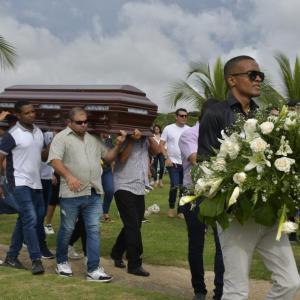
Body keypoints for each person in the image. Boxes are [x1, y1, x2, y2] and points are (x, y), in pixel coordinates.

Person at [197, 55, 300, 300]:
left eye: (260, 75)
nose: (258, 80)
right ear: (232, 79)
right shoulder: (215, 113)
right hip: (237, 216)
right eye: (252, 74)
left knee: (290, 282)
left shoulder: (265, 116)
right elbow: (204, 162)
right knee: (236, 290)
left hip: (268, 212)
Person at [48, 107, 126, 282]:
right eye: (79, 122)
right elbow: (54, 160)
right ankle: (61, 261)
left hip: (93, 192)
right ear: (69, 122)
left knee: (93, 230)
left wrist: (119, 144)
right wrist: (68, 176)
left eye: (85, 122)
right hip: (71, 193)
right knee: (67, 229)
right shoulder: (61, 138)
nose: (84, 125)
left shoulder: (93, 139)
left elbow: (108, 158)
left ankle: (93, 269)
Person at [179, 100, 224, 300]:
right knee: (196, 243)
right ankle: (199, 289)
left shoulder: (223, 134)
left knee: (222, 244)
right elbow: (196, 158)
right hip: (194, 195)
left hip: (217, 195)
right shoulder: (189, 134)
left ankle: (220, 291)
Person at [0, 100, 47, 275]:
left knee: (25, 219)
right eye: (27, 113)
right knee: (31, 219)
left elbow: (41, 156)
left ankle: (11, 257)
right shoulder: (12, 134)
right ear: (18, 116)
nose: (32, 115)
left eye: (33, 111)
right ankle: (36, 260)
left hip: (36, 182)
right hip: (19, 183)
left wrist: (51, 147)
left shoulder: (39, 132)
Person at [110, 129, 159, 276]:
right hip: (123, 185)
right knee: (133, 225)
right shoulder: (124, 137)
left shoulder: (145, 140)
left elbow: (157, 151)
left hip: (139, 186)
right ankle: (134, 263)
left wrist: (148, 134)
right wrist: (132, 140)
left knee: (135, 224)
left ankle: (117, 252)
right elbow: (123, 159)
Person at [159, 108, 190, 218]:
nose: (184, 118)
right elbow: (161, 144)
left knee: (184, 187)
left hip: (186, 163)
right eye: (181, 116)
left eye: (186, 116)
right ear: (176, 117)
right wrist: (166, 158)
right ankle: (171, 207)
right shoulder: (169, 128)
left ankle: (181, 210)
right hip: (173, 162)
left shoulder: (189, 129)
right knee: (174, 185)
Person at [99, 132, 115, 222]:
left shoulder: (109, 141)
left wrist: (113, 170)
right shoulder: (93, 138)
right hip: (94, 170)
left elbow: (112, 157)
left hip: (107, 170)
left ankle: (105, 212)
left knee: (110, 190)